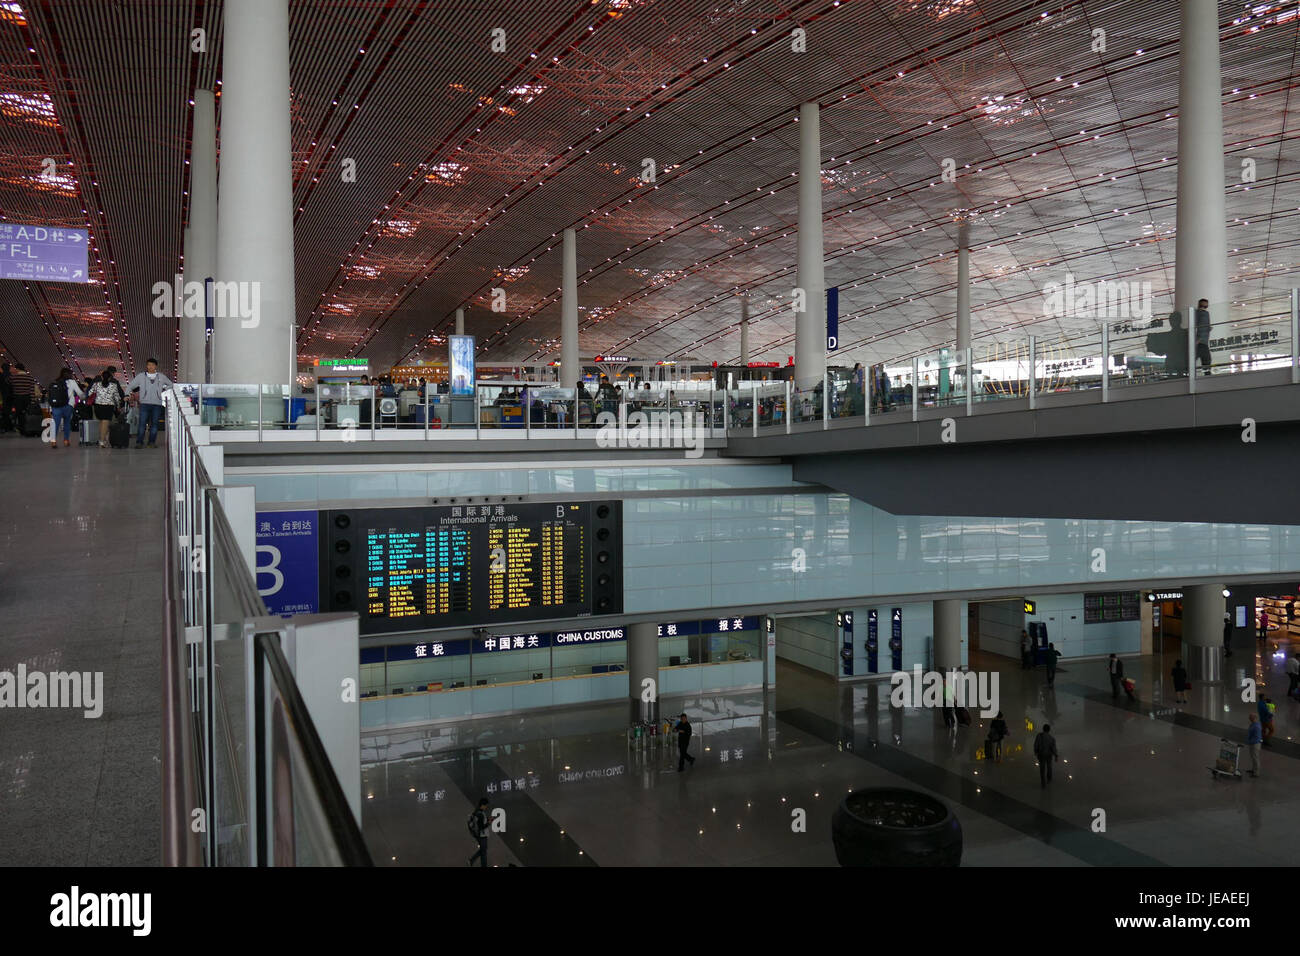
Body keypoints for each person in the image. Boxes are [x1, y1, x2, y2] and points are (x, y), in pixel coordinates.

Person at [127, 358, 173, 448]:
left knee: (154, 424)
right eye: (148, 365)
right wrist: (126, 394)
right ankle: (139, 442)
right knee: (142, 423)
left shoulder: (161, 376)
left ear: (155, 366)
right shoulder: (141, 376)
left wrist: (163, 390)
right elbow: (131, 385)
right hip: (144, 403)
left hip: (157, 403)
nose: (150, 366)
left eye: (152, 365)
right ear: (146, 366)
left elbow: (171, 384)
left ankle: (151, 442)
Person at [46, 369, 84, 448]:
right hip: (68, 405)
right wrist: (85, 397)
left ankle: (53, 441)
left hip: (56, 406)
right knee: (67, 423)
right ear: (70, 374)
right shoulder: (72, 382)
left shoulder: (55, 381)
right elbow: (80, 393)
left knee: (55, 424)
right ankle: (66, 440)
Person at [88, 368, 124, 447]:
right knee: (105, 422)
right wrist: (118, 406)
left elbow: (89, 393)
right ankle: (102, 441)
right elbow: (117, 397)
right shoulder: (113, 385)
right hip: (108, 406)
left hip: (98, 406)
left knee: (101, 422)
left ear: (102, 376)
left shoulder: (96, 384)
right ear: (110, 377)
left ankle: (101, 439)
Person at [1145, 311, 1189, 377]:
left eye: (1173, 320)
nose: (1173, 322)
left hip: (1173, 366)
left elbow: (1159, 351)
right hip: (1182, 365)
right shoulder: (1186, 334)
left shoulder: (1168, 336)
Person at [467, 796, 490, 867]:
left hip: (477, 835)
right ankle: (481, 864)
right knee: (484, 852)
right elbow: (481, 827)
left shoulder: (476, 812)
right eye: (486, 805)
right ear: (483, 805)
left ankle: (471, 860)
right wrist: (489, 822)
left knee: (483, 850)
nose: (486, 807)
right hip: (482, 835)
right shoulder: (480, 814)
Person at [1033, 723, 1058, 787]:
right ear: (1049, 730)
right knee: (1049, 767)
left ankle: (1043, 782)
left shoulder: (1039, 736)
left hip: (1041, 754)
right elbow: (1053, 748)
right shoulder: (1051, 738)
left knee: (1042, 768)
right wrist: (1056, 755)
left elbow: (1036, 744)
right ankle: (1049, 779)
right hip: (1049, 755)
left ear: (1043, 729)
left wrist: (1035, 751)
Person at [1194, 299, 1212, 373]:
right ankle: (1207, 377)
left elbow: (1201, 327)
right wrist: (1198, 339)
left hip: (1201, 341)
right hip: (1201, 341)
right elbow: (1201, 327)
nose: (1204, 307)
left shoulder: (1197, 313)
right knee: (1206, 360)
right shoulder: (1203, 313)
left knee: (1204, 359)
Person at [1246, 713, 1262, 778]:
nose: (1249, 718)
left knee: (1255, 759)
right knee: (1253, 758)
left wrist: (1250, 742)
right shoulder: (1253, 724)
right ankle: (1253, 770)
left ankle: (1256, 773)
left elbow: (1257, 738)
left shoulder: (1256, 726)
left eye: (1250, 717)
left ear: (1254, 718)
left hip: (1255, 744)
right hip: (1252, 743)